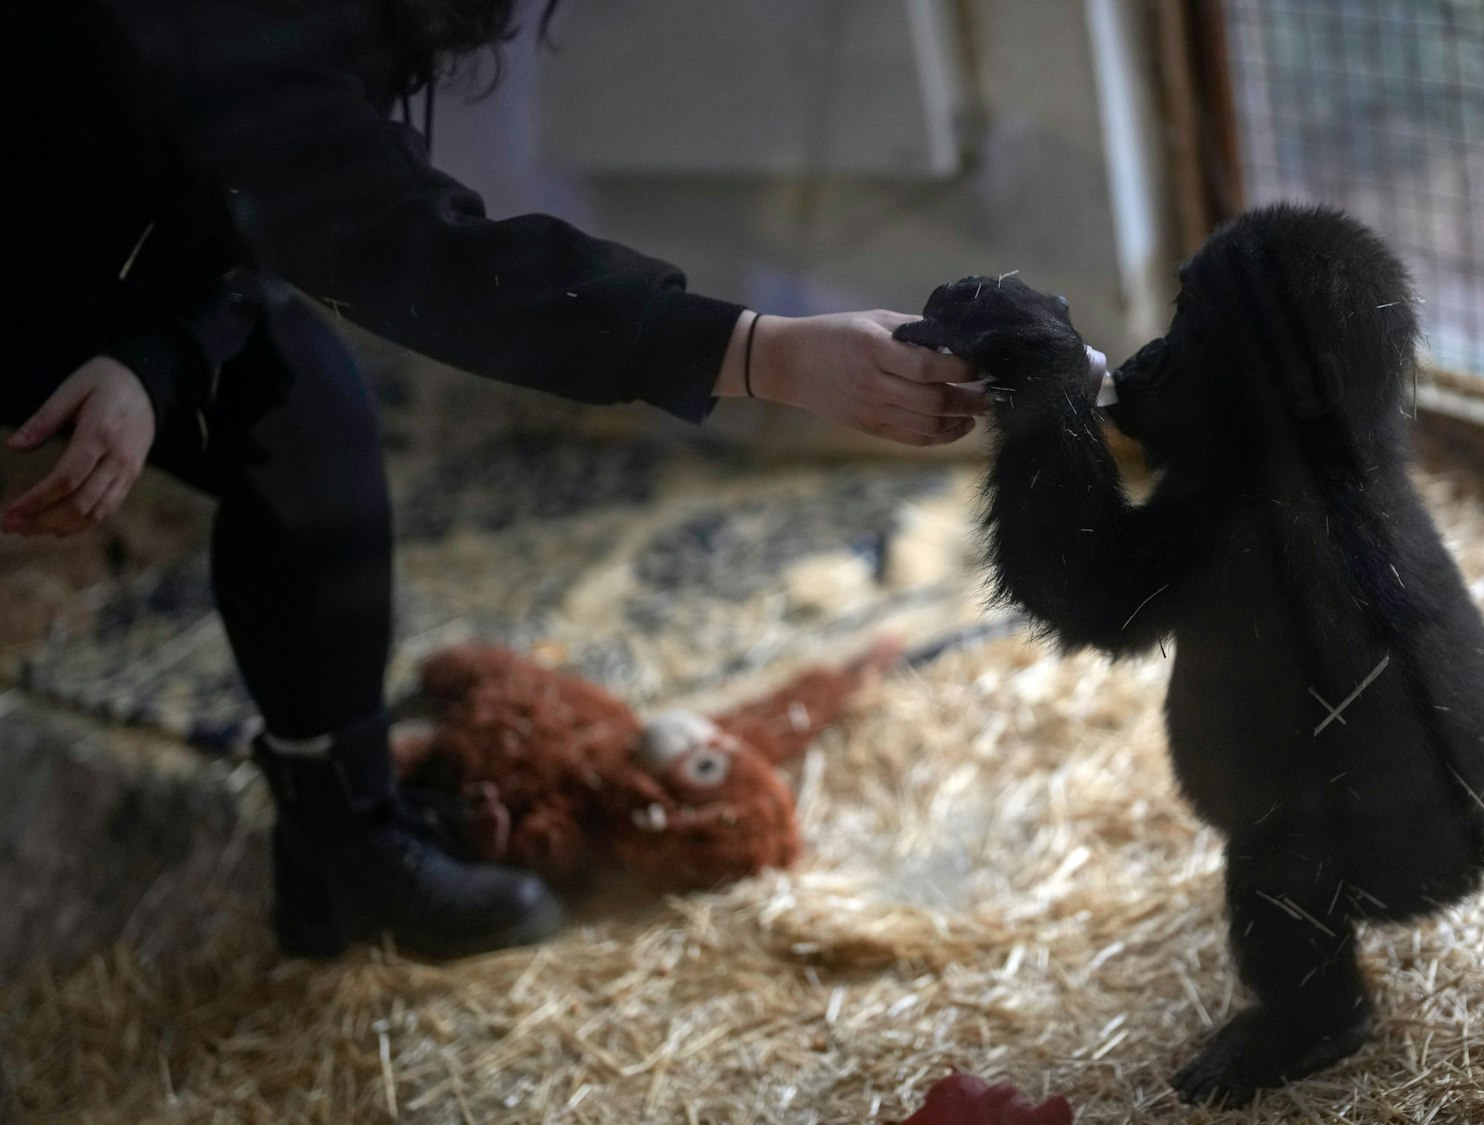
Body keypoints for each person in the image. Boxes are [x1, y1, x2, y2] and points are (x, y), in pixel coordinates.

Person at [2, 0, 983, 960]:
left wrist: (161, 353)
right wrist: (766, 354)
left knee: (299, 401)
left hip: (104, 210)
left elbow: (247, 196)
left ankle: (341, 846)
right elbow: (409, 251)